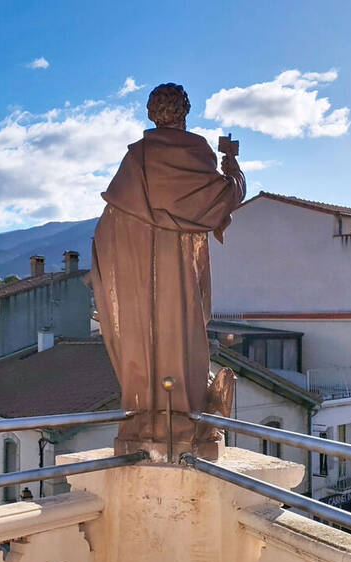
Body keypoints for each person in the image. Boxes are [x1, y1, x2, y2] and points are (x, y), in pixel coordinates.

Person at [90, 83, 245, 461]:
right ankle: (185, 417)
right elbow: (227, 196)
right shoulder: (197, 153)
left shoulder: (138, 159)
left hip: (140, 274)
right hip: (178, 272)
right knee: (183, 335)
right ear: (185, 112)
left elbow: (107, 228)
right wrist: (232, 164)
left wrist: (115, 275)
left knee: (145, 338)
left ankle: (148, 417)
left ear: (151, 113)